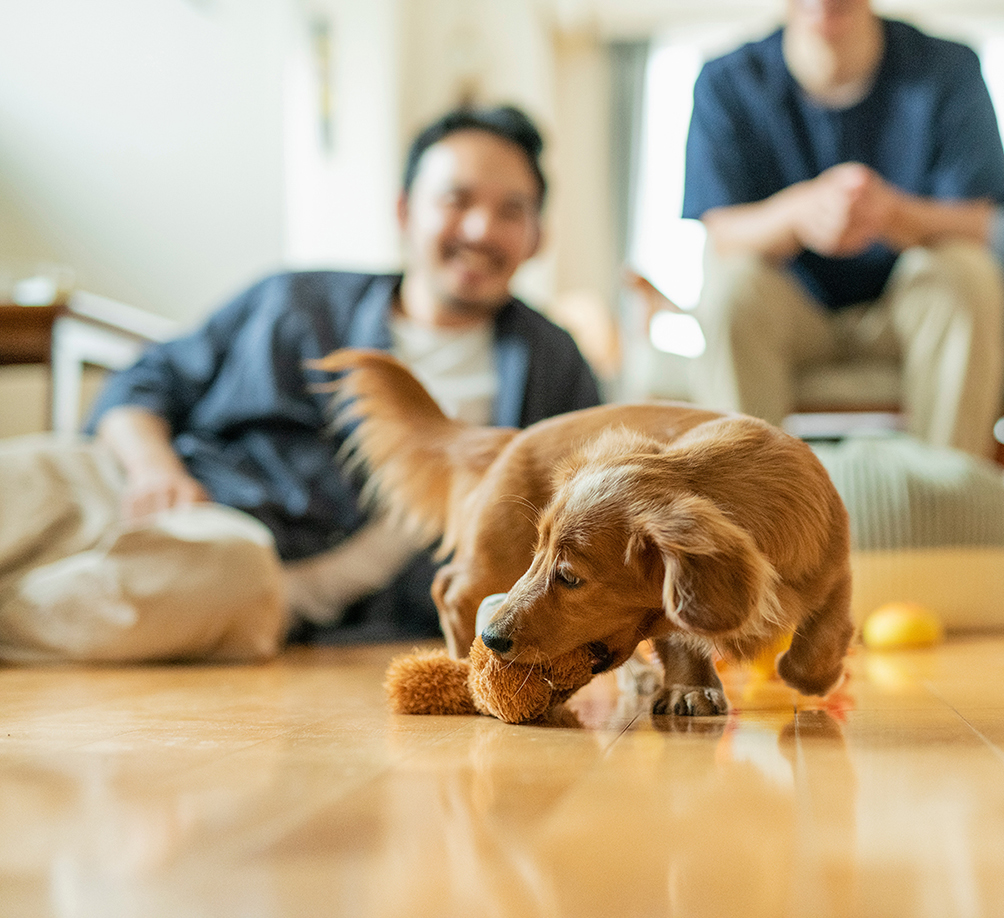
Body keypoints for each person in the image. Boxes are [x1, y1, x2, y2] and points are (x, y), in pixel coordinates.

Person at [0, 104, 601, 663]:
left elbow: (590, 525)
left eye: (511, 210)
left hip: (236, 573)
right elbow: (146, 381)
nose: (480, 228)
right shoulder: (294, 299)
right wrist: (155, 469)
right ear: (404, 211)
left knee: (229, 573)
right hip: (135, 482)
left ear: (536, 235)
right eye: (456, 199)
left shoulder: (554, 369)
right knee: (23, 481)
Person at [682, 0, 1004, 457]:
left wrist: (891, 215)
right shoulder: (725, 80)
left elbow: (977, 224)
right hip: (789, 310)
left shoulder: (948, 66)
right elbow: (724, 232)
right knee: (729, 286)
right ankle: (750, 511)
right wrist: (799, 214)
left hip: (905, 309)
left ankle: (948, 499)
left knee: (969, 273)